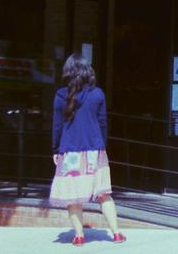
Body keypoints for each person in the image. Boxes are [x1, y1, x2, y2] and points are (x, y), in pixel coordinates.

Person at [50, 54, 125, 247]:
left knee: (73, 197)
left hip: (70, 151)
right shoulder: (97, 94)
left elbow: (57, 125)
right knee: (103, 194)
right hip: (94, 148)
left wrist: (55, 149)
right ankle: (116, 233)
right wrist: (102, 145)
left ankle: (79, 236)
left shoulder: (60, 95)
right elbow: (103, 123)